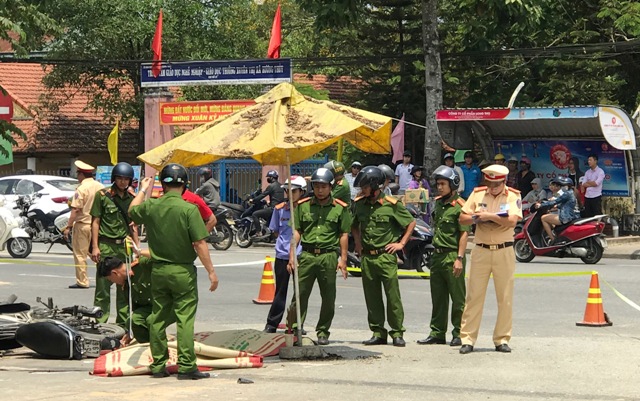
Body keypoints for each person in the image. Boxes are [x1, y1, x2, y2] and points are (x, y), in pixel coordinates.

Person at [129, 163, 218, 380]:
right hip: (182, 272)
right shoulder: (188, 209)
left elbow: (132, 211)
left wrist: (143, 188)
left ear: (163, 184)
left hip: (158, 271)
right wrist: (211, 272)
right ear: (184, 184)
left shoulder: (152, 206)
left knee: (158, 317)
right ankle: (186, 366)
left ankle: (159, 365)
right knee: (184, 318)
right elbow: (200, 243)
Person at [458, 164, 522, 355]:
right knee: (474, 296)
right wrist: (477, 218)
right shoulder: (478, 194)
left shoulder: (512, 196)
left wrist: (489, 216)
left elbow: (512, 221)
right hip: (481, 250)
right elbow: (462, 218)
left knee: (505, 297)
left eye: (496, 185)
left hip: (504, 250)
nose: (492, 188)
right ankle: (467, 339)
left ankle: (502, 339)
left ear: (504, 182)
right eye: (490, 184)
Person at [351, 166, 414, 347]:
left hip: (385, 256)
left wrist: (401, 244)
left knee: (392, 297)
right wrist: (358, 243)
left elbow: (410, 222)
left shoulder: (391, 204)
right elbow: (354, 225)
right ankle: (378, 332)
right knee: (372, 297)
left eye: (365, 187)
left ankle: (397, 332)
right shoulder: (360, 204)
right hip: (367, 257)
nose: (362, 190)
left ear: (374, 185)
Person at [287, 167, 351, 345]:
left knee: (328, 297)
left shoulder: (340, 208)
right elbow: (297, 232)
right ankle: (294, 329)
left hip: (328, 256)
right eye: (316, 186)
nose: (320, 190)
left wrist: (343, 260)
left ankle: (323, 331)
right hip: (307, 255)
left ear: (330, 187)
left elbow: (343, 234)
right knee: (299, 295)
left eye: (323, 186)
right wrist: (292, 255)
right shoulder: (303, 206)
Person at [417, 166, 470, 347]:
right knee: (438, 297)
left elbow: (464, 234)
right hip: (437, 255)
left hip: (452, 255)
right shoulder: (438, 203)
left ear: (452, 184)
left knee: (458, 298)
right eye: (438, 184)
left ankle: (459, 333)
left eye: (443, 184)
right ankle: (437, 332)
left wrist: (459, 258)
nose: (439, 187)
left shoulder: (461, 206)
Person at [90, 162, 138, 326]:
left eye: (126, 179)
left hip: (124, 247)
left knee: (124, 286)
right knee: (103, 287)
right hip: (106, 245)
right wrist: (95, 246)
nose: (123, 182)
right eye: (120, 178)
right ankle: (100, 322)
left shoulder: (131, 199)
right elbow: (95, 221)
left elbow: (133, 226)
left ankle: (123, 324)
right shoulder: (102, 196)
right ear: (114, 179)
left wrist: (137, 248)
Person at [263, 176, 306, 333]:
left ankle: (296, 324)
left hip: (301, 255)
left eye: (294, 191)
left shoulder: (306, 209)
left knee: (300, 293)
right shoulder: (279, 209)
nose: (290, 194)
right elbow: (275, 230)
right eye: (287, 191)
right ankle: (272, 323)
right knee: (280, 291)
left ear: (302, 192)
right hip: (282, 255)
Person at [98, 253, 163, 345]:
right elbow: (136, 309)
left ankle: (159, 346)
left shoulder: (141, 266)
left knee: (151, 320)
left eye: (110, 279)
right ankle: (150, 345)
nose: (113, 282)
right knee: (132, 321)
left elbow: (160, 256)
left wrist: (140, 252)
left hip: (167, 302)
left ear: (114, 273)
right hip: (151, 307)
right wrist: (131, 332)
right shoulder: (126, 286)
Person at [65, 160, 104, 289]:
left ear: (81, 174)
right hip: (97, 224)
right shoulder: (100, 186)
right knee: (97, 253)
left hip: (83, 225)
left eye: (78, 174)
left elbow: (75, 209)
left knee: (80, 254)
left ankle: (82, 281)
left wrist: (68, 226)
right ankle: (104, 279)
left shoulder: (81, 188)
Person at [536, 177, 580, 244]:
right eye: (551, 185)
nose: (552, 187)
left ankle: (553, 240)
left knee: (543, 218)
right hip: (570, 214)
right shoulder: (571, 192)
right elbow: (566, 204)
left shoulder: (565, 193)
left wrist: (541, 205)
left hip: (566, 216)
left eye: (554, 185)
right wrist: (556, 206)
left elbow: (555, 200)